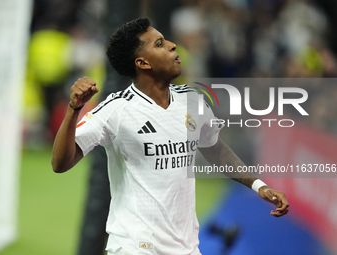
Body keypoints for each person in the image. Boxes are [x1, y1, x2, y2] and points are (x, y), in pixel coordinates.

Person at [51, 18, 289, 255]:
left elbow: (215, 149)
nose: (173, 45)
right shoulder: (117, 109)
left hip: (186, 247)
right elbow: (60, 163)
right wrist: (74, 110)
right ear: (143, 63)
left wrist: (259, 186)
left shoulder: (192, 101)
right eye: (160, 44)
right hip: (135, 247)